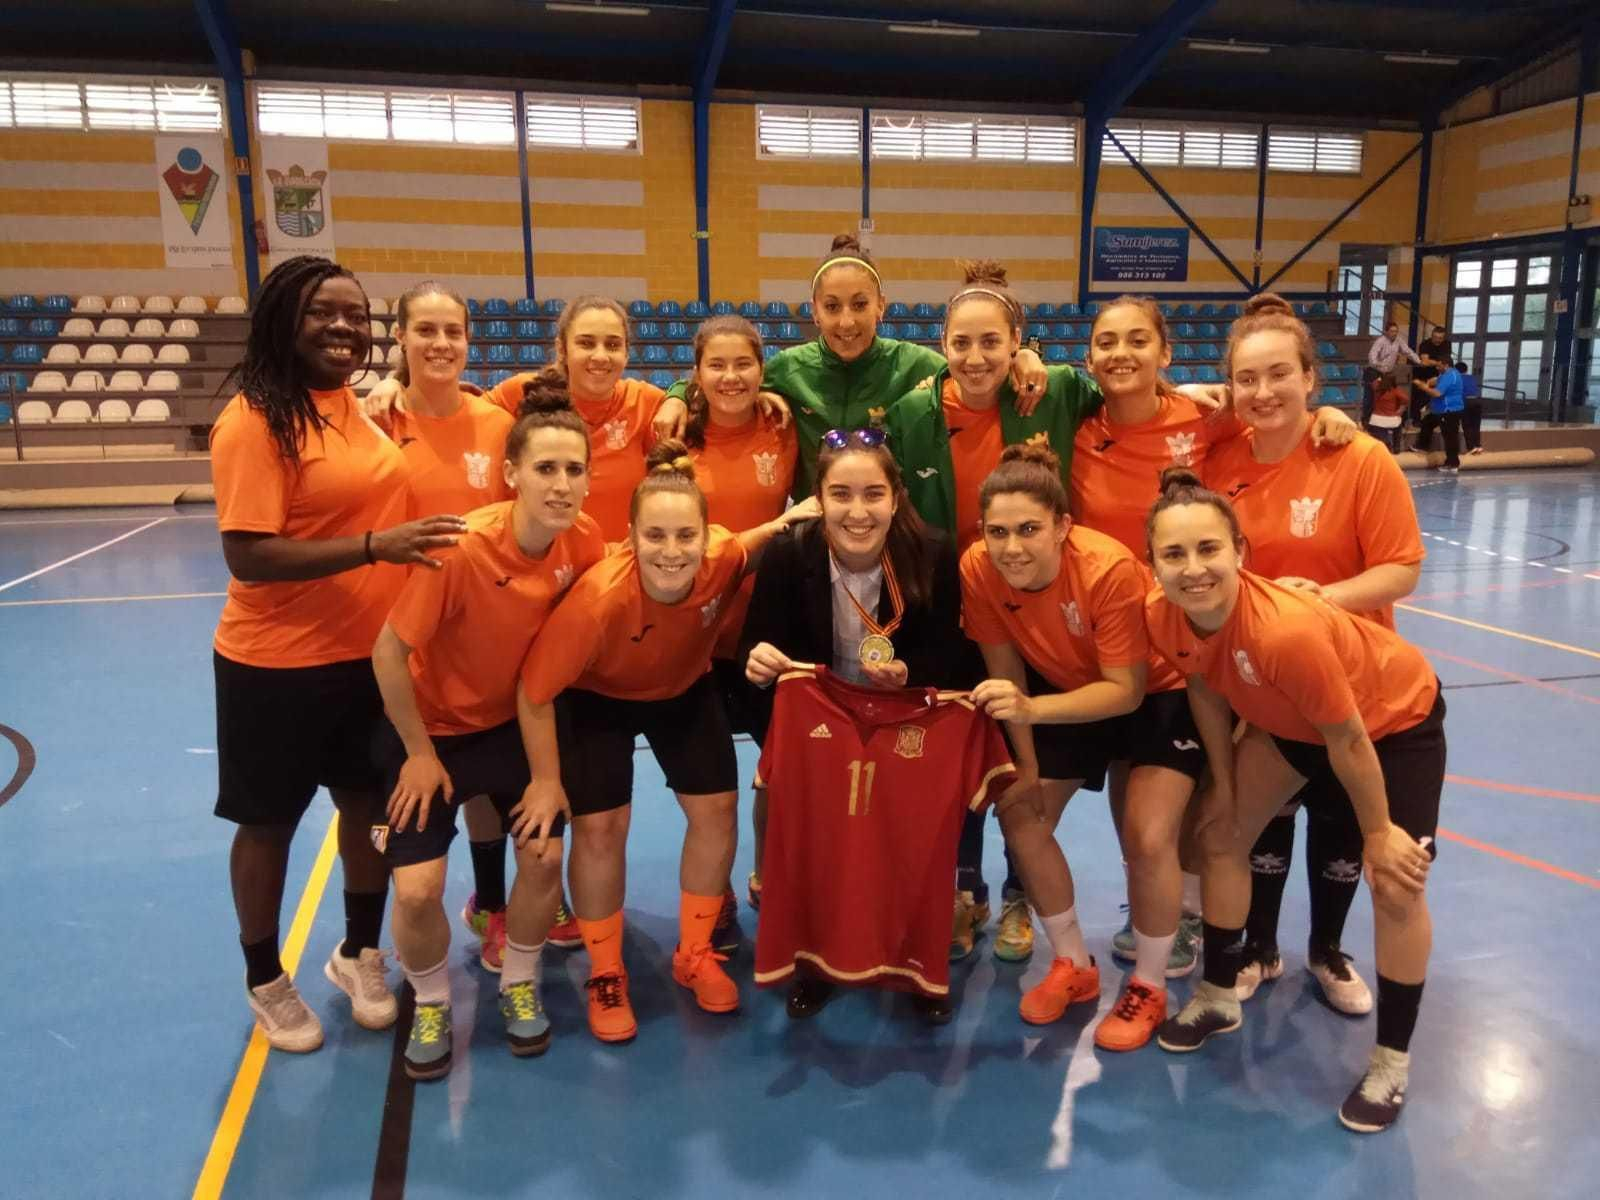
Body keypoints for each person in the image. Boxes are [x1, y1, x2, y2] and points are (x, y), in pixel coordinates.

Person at [209, 256, 467, 1052]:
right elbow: (249, 554)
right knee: (269, 824)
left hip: (370, 661)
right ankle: (265, 978)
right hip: (275, 665)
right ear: (285, 318)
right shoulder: (254, 419)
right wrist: (372, 546)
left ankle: (358, 953)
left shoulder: (355, 408)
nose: (343, 326)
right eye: (325, 312)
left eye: (356, 314)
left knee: (368, 810)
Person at [1145, 468, 1445, 1135]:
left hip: (1391, 725)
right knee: (1220, 837)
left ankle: (1392, 1061)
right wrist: (1223, 785)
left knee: (1396, 881)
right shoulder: (1161, 614)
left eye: (1208, 549)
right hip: (1292, 729)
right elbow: (1204, 688)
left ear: (1240, 554)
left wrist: (1377, 834)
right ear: (1154, 563)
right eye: (1174, 554)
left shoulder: (1285, 631)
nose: (1193, 569)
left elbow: (1349, 742)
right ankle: (1220, 994)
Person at [1070, 295, 1359, 976]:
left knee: (1195, 795)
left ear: (1166, 353)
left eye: (1139, 339)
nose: (1122, 353)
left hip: (1195, 644)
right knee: (1126, 780)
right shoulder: (1078, 428)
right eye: (1106, 342)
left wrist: (1326, 416)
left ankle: (1194, 911)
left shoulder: (1206, 421)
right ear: (1087, 359)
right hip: (1113, 649)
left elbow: (1275, 417)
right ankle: (1151, 894)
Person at [517, 441, 815, 1043]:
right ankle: (605, 972)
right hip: (596, 699)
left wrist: (792, 518)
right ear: (629, 537)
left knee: (717, 812)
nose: (672, 552)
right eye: (655, 536)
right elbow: (534, 693)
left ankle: (695, 953)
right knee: (602, 829)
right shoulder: (597, 602)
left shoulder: (724, 556)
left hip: (682, 689)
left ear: (707, 538)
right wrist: (547, 781)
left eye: (686, 536)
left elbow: (754, 539)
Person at [371, 375, 605, 1079]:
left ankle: (521, 982)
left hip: (513, 727)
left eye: (574, 470)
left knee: (540, 856)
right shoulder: (462, 547)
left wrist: (547, 775)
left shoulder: (584, 545)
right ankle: (434, 998)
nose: (561, 485)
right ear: (510, 475)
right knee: (415, 890)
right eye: (545, 469)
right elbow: (389, 652)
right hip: (431, 733)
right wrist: (416, 753)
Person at [1202, 293, 1426, 1015]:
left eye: (1278, 375)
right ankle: (1261, 947)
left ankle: (1327, 949)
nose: (1262, 393)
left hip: (1345, 671)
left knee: (1338, 820)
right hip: (1256, 680)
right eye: (1246, 378)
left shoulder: (1356, 456)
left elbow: (1401, 568)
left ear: (1310, 377)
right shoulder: (1219, 457)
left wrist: (1319, 601)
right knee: (1265, 817)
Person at [885, 259, 1103, 965]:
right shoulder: (914, 413)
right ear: (941, 345)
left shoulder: (1056, 390)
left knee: (1018, 761)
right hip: (951, 616)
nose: (975, 358)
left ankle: (1017, 896)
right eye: (961, 343)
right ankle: (963, 889)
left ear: (1017, 342)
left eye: (993, 342)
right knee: (959, 754)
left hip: (1040, 610)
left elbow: (1135, 389)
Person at [964, 445, 1205, 1050]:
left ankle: (1148, 986)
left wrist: (1032, 711)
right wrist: (1026, 763)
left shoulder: (1107, 569)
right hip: (1070, 694)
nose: (1011, 547)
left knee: (1148, 836)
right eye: (997, 531)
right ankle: (1074, 964)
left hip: (1155, 694)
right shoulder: (978, 569)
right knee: (1020, 811)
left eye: (1028, 530)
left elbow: (1125, 692)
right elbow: (1005, 675)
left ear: (1063, 527)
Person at [382, 280, 582, 969]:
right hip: (407, 637)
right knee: (403, 830)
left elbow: (559, 387)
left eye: (454, 333)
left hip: (493, 643)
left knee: (497, 795)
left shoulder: (495, 419)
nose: (441, 344)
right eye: (425, 331)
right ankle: (378, 940)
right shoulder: (373, 421)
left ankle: (497, 907)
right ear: (399, 338)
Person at [741, 428, 967, 1022]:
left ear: (897, 497)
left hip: (901, 719)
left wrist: (911, 676)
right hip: (825, 720)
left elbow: (953, 661)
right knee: (818, 844)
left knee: (907, 842)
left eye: (873, 494)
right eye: (841, 494)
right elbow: (758, 647)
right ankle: (815, 962)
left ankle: (915, 966)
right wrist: (761, 662)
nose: (858, 511)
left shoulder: (936, 554)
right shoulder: (792, 554)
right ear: (818, 498)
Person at [664, 234, 1051, 500]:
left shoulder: (919, 365)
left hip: (892, 525)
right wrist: (677, 396)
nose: (846, 322)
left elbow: (977, 371)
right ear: (814, 311)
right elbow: (723, 380)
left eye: (860, 304)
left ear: (882, 304)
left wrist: (1023, 359)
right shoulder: (787, 368)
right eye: (832, 307)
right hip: (814, 525)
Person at [680, 315, 801, 931]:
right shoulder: (675, 442)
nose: (731, 377)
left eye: (743, 364)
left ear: (762, 369)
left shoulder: (785, 429)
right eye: (716, 365)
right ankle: (714, 895)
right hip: (695, 640)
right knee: (712, 791)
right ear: (696, 374)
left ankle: (769, 876)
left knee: (778, 772)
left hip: (766, 635)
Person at [365, 296, 668, 540]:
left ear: (627, 353)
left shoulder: (647, 402)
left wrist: (678, 397)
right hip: (544, 566)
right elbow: (454, 406)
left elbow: (702, 402)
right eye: (586, 343)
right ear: (562, 348)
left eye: (613, 345)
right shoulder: (522, 393)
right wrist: (394, 383)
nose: (600, 356)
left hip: (617, 574)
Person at [1364, 321, 1420, 427]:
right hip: (1374, 372)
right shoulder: (1380, 341)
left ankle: (1391, 419)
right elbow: (1372, 356)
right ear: (1386, 332)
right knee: (1370, 398)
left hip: (1387, 374)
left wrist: (1419, 361)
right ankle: (1366, 421)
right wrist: (1379, 365)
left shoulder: (1399, 341)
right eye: (1392, 331)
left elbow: (1408, 352)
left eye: (1396, 331)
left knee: (1392, 396)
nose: (1394, 333)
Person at [1414, 359, 1465, 473]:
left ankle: (1452, 463)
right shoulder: (1449, 374)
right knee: (1428, 421)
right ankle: (1422, 446)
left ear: (1446, 365)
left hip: (1448, 411)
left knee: (1450, 437)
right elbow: (1436, 380)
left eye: (1439, 365)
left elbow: (1437, 393)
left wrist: (1424, 388)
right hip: (1441, 411)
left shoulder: (1449, 376)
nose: (1437, 368)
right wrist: (1429, 382)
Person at [1410, 326, 1451, 428]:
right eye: (1435, 337)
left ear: (1444, 337)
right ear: (1432, 335)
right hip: (1421, 375)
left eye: (1440, 338)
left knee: (1437, 397)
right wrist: (1439, 362)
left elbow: (1446, 361)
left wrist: (1433, 362)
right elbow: (1424, 361)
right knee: (1419, 399)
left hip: (1437, 375)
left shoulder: (1446, 344)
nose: (1438, 340)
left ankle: (1438, 420)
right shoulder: (1425, 344)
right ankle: (1416, 420)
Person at [1367, 372, 1407, 453]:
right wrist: (1401, 409)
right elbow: (1406, 399)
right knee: (1398, 426)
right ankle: (1396, 447)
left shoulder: (1376, 388)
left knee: (1378, 430)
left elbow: (1373, 382)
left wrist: (1380, 378)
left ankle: (1386, 443)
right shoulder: (1395, 391)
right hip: (1392, 420)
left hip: (1377, 420)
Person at [1457, 360, 1484, 454]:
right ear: (1466, 369)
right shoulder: (1472, 378)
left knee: (1467, 425)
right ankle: (1478, 446)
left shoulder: (1457, 378)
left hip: (1466, 402)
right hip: (1477, 401)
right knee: (1476, 425)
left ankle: (1471, 447)